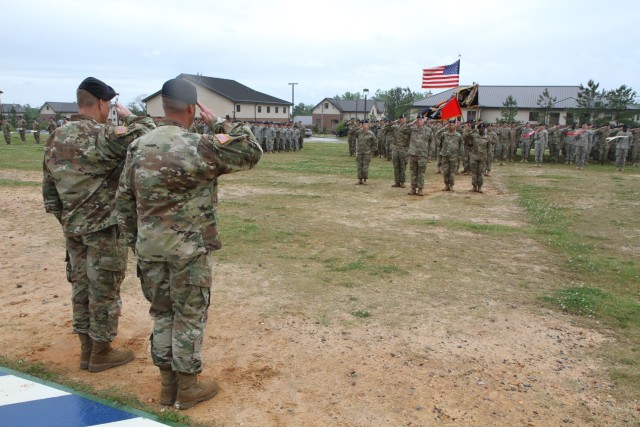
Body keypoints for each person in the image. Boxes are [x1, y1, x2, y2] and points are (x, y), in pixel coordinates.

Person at [116, 78, 262, 410]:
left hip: (150, 250)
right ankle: (188, 387)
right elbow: (251, 150)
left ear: (162, 108)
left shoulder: (138, 147)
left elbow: (123, 200)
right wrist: (223, 123)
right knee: (189, 315)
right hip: (188, 250)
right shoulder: (200, 145)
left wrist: (135, 242)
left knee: (163, 313)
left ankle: (168, 387)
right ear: (193, 110)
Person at [43, 77, 156, 373]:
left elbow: (50, 192)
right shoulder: (103, 135)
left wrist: (68, 219)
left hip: (73, 228)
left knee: (81, 286)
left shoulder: (55, 136)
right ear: (103, 103)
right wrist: (132, 116)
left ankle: (86, 350)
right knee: (104, 289)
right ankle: (101, 352)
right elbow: (149, 133)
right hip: (105, 228)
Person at [407, 116, 432, 196]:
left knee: (421, 172)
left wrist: (430, 154)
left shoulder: (428, 130)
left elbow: (432, 143)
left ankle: (420, 189)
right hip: (413, 153)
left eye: (420, 120)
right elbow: (404, 127)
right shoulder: (412, 129)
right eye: (417, 120)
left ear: (424, 121)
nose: (419, 121)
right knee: (413, 172)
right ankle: (413, 188)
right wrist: (412, 122)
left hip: (422, 154)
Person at [438, 120, 464, 191]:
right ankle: (446, 185)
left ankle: (451, 185)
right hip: (445, 155)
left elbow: (461, 146)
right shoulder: (444, 134)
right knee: (445, 171)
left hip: (454, 156)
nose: (451, 126)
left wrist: (461, 156)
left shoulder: (458, 135)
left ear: (455, 126)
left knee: (452, 172)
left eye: (452, 125)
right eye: (449, 125)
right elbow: (440, 142)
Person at [469, 123, 491, 193]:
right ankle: (474, 187)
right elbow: (466, 136)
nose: (481, 129)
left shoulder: (487, 138)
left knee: (481, 173)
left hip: (482, 158)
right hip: (474, 157)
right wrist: (472, 130)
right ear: (478, 129)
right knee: (474, 173)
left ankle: (480, 187)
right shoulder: (474, 136)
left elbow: (489, 149)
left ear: (484, 129)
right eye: (480, 128)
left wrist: (488, 158)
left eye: (483, 128)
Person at [391, 115, 410, 188]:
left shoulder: (408, 127)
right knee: (396, 166)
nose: (402, 120)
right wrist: (394, 122)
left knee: (403, 166)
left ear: (406, 119)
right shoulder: (396, 127)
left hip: (403, 150)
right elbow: (387, 127)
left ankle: (402, 182)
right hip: (396, 149)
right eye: (400, 119)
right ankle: (397, 181)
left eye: (403, 118)